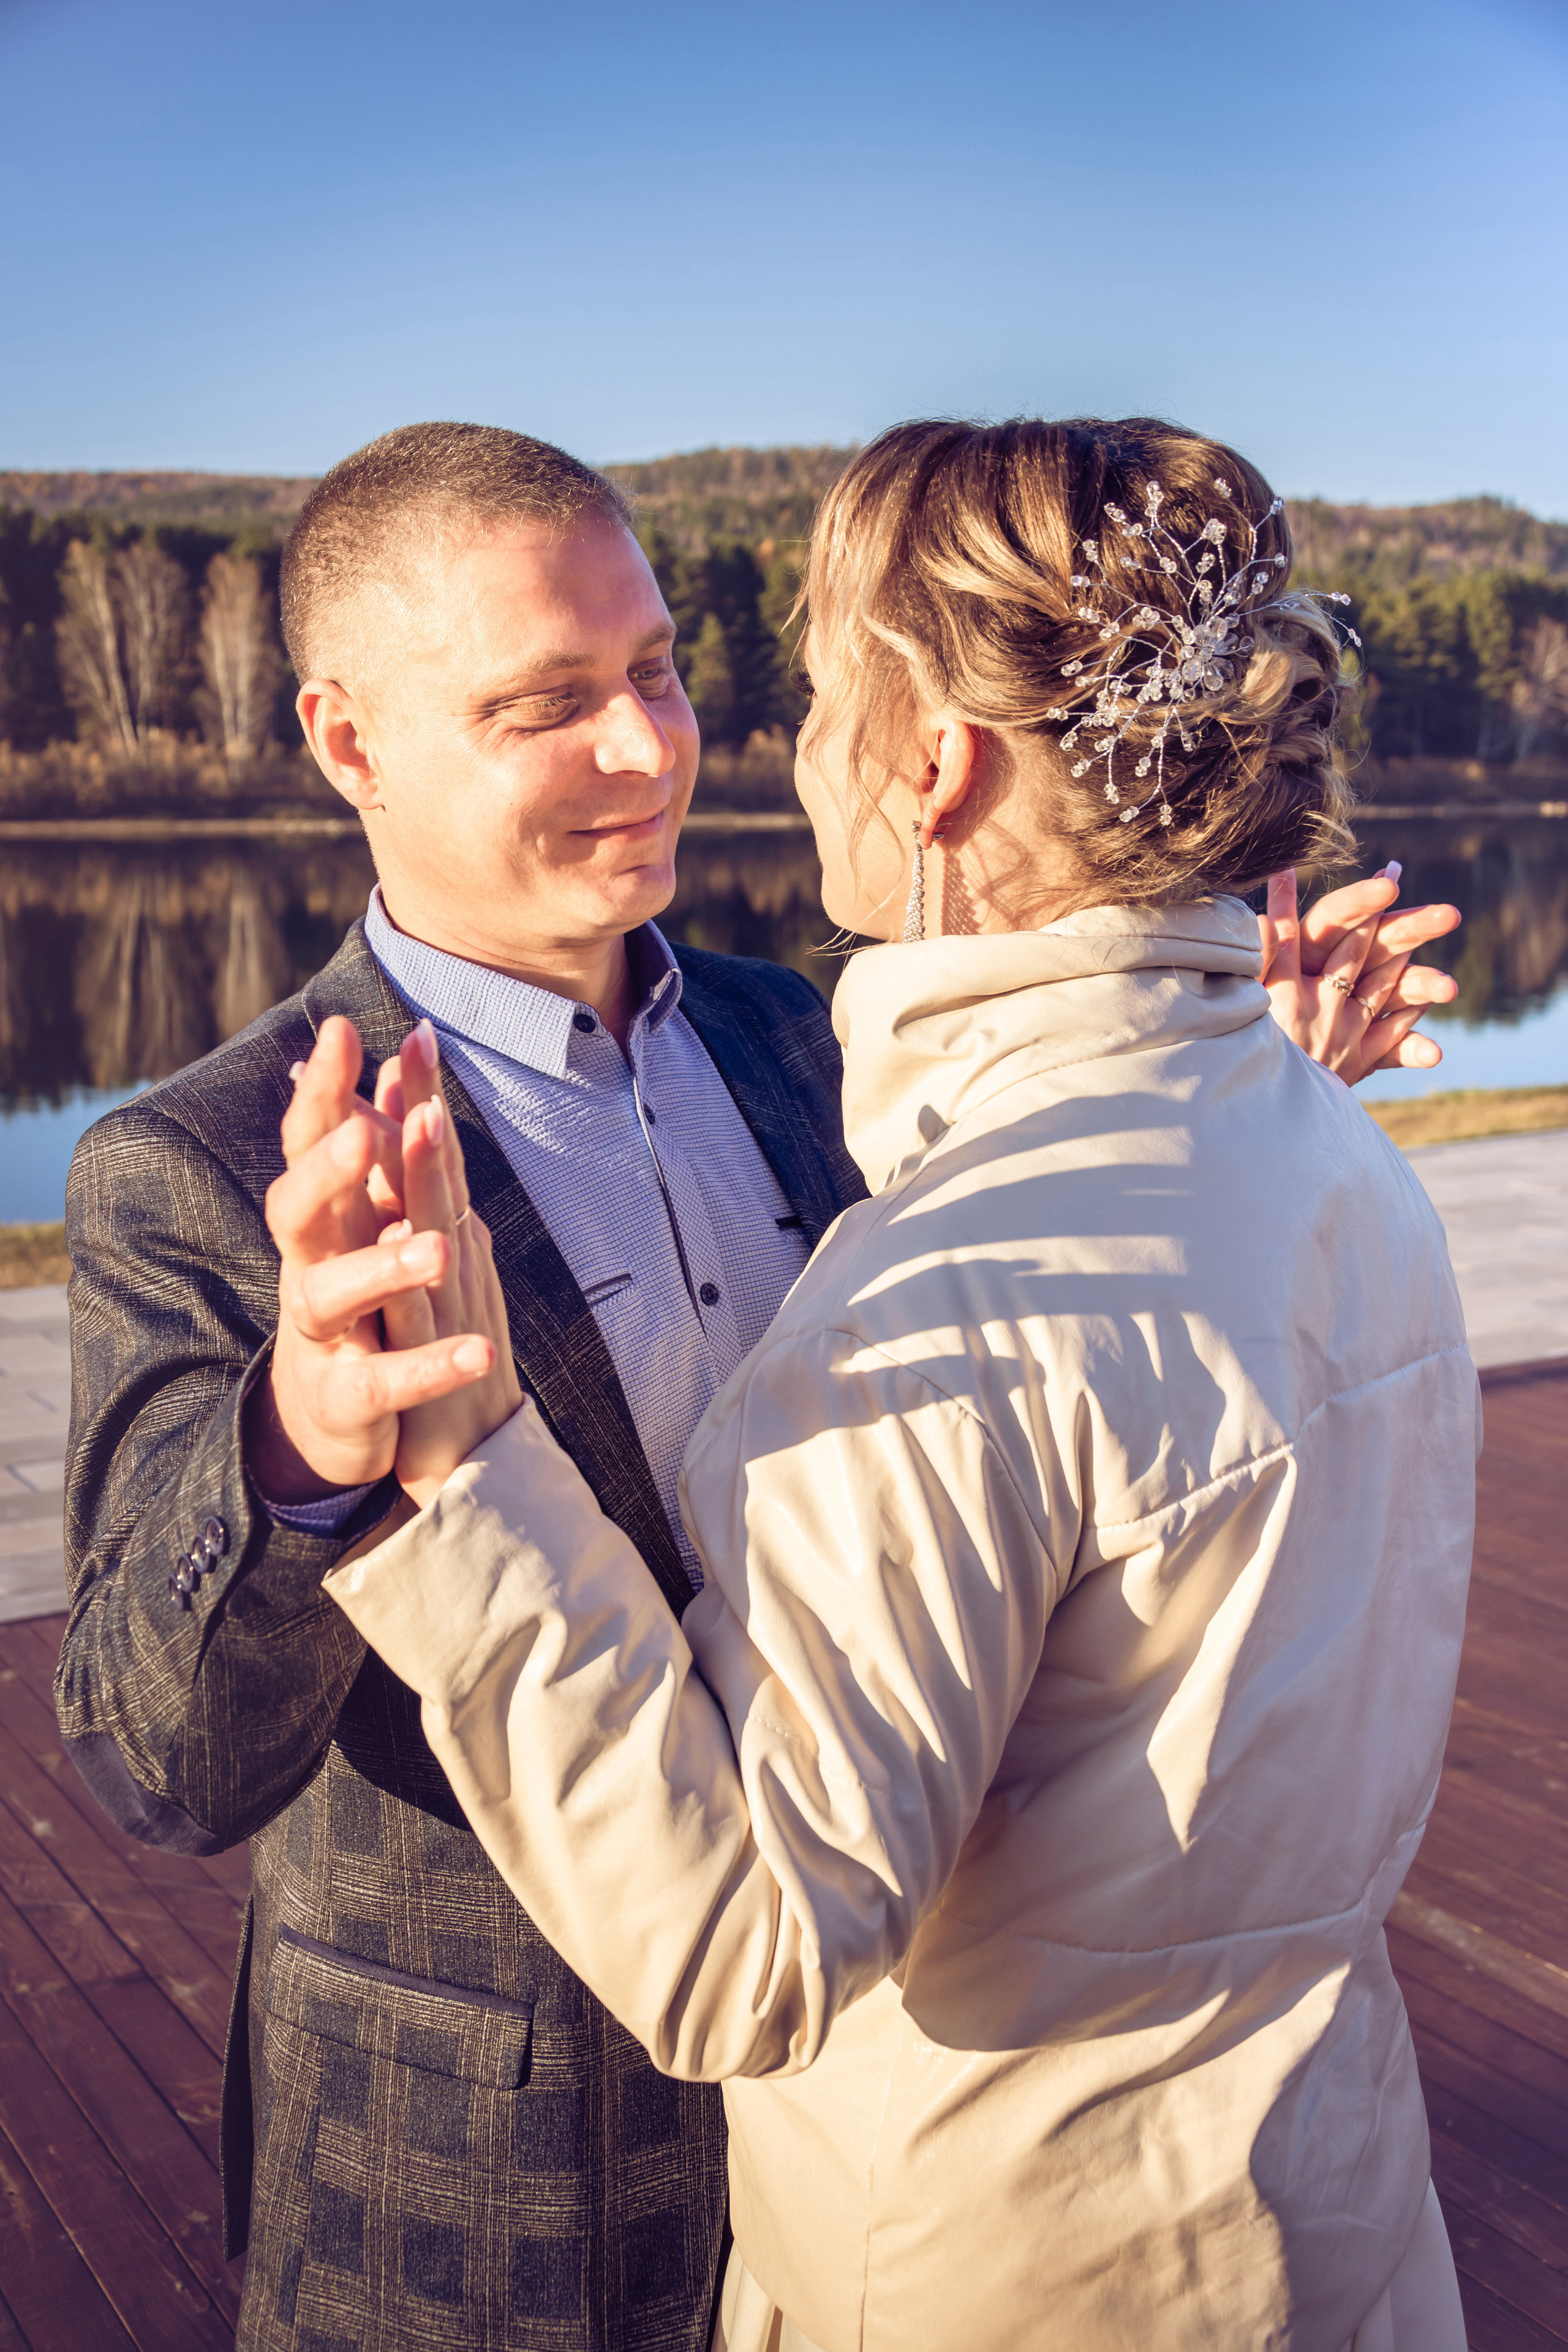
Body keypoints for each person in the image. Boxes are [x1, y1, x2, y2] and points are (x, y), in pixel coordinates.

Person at [57, 421, 1455, 2352]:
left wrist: (1191, 1097)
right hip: (486, 2204)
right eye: (549, 702)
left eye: (657, 672)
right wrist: (307, 1444)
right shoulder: (206, 1165)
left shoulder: (803, 1034)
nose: (649, 750)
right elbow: (157, 1763)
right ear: (348, 740)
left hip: (881, 2155)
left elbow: (1029, 1429)